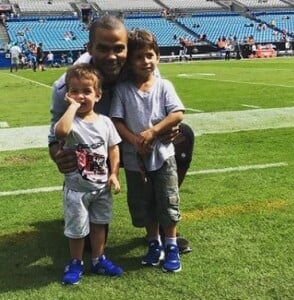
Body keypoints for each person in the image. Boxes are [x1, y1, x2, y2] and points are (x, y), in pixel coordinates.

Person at [48, 15, 194, 253]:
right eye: (103, 49)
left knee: (183, 136)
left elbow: (161, 109)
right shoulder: (67, 85)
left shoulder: (142, 67)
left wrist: (167, 129)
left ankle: (162, 217)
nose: (112, 56)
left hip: (138, 144)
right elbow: (55, 127)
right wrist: (56, 151)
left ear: (127, 47)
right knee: (88, 241)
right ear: (90, 48)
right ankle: (82, 211)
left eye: (119, 49)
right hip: (95, 151)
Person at [110, 29, 184, 272]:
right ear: (129, 63)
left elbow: (177, 113)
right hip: (134, 161)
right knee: (144, 202)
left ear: (158, 57)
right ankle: (153, 242)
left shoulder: (164, 86)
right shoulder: (123, 90)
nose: (146, 61)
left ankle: (171, 244)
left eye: (150, 55)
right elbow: (117, 121)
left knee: (168, 199)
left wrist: (153, 132)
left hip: (164, 157)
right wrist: (133, 140)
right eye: (139, 57)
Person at [54, 63, 123, 285]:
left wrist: (114, 174)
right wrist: (72, 107)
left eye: (86, 91)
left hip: (101, 188)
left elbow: (113, 148)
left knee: (99, 224)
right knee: (76, 229)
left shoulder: (105, 122)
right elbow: (61, 132)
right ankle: (75, 262)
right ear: (67, 95)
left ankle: (98, 258)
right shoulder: (70, 121)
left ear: (98, 95)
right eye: (74, 91)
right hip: (77, 189)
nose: (80, 96)